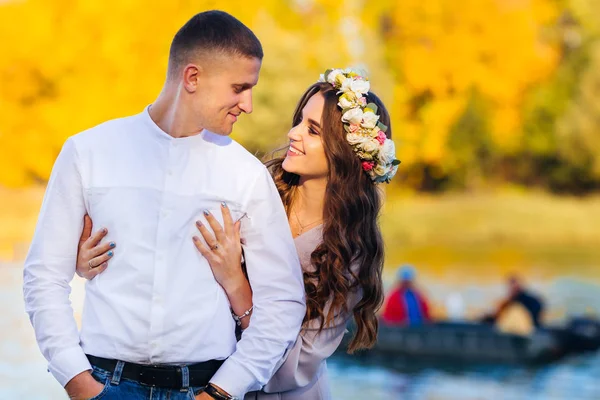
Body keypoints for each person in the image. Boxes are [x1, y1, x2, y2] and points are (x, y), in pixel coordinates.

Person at [23, 11, 307, 400]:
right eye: (239, 88)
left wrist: (225, 391)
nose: (249, 104)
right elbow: (44, 277)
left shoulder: (246, 175)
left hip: (205, 387)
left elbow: (283, 302)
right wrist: (77, 381)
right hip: (103, 383)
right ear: (193, 78)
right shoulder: (87, 152)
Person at [77, 68, 400, 399]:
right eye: (300, 120)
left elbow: (295, 366)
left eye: (313, 130)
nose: (293, 133)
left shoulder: (350, 252)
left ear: (343, 153)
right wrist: (92, 260)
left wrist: (235, 281)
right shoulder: (253, 187)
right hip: (200, 381)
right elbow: (168, 238)